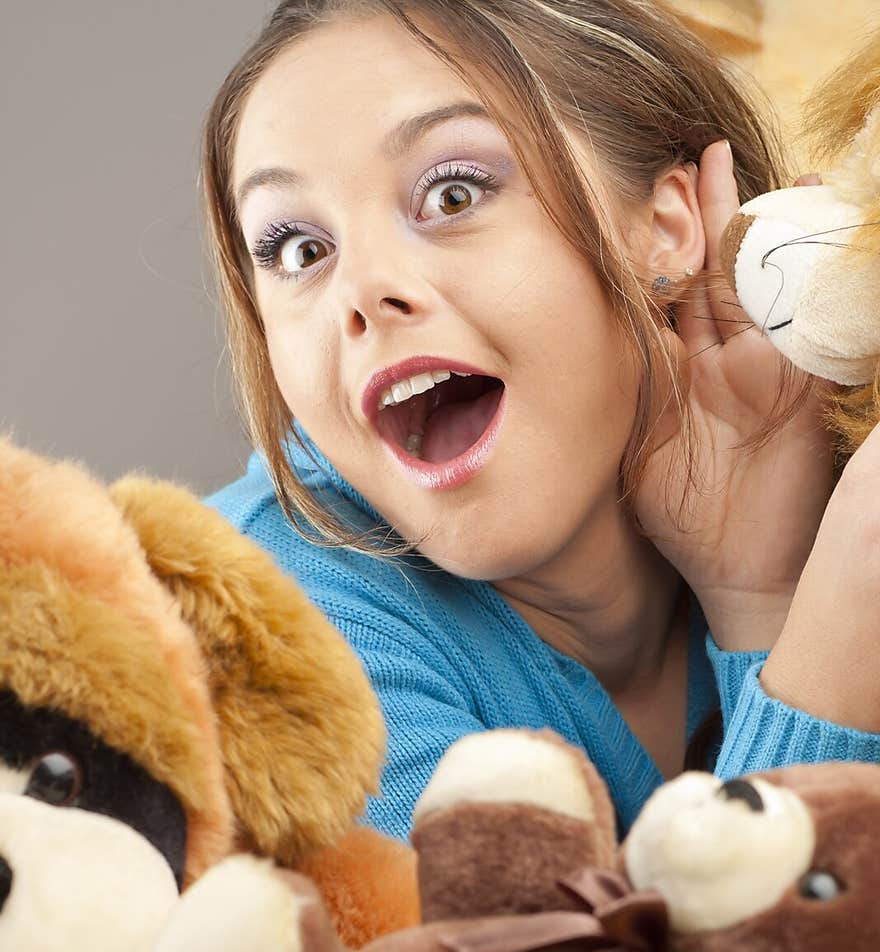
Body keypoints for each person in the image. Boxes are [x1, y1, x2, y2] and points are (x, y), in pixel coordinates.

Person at [205, 0, 880, 841]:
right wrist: (817, 644)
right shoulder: (253, 628)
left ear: (666, 225)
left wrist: (762, 602)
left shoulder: (824, 481)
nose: (362, 290)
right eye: (299, 250)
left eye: (451, 194)